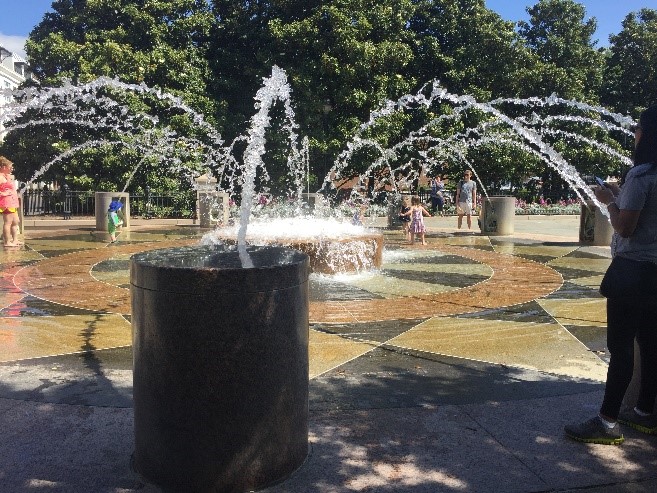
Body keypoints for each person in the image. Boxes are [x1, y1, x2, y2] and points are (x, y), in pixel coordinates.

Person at [564, 105, 657, 445]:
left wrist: (607, 200)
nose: (634, 135)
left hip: (632, 273)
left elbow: (626, 227)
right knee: (650, 344)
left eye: (637, 129)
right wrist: (621, 197)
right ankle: (646, 413)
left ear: (646, 134)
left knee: (620, 348)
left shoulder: (642, 174)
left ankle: (606, 423)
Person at [0, 156, 21, 247]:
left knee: (16, 221)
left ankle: (15, 240)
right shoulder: (0, 177)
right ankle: (7, 242)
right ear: (3, 167)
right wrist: (3, 193)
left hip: (12, 202)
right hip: (6, 203)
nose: (11, 169)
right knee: (8, 222)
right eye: (10, 167)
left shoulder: (7, 176)